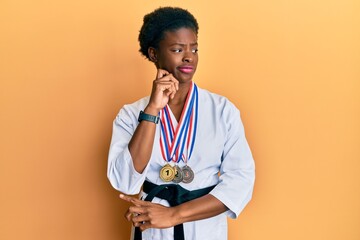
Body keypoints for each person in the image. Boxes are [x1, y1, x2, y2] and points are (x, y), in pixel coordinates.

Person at [107, 6, 255, 240]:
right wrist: (152, 111)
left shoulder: (222, 110)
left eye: (194, 49)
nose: (189, 57)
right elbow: (125, 181)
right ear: (154, 54)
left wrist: (175, 215)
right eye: (177, 49)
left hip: (203, 227)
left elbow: (241, 182)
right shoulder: (131, 114)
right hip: (152, 228)